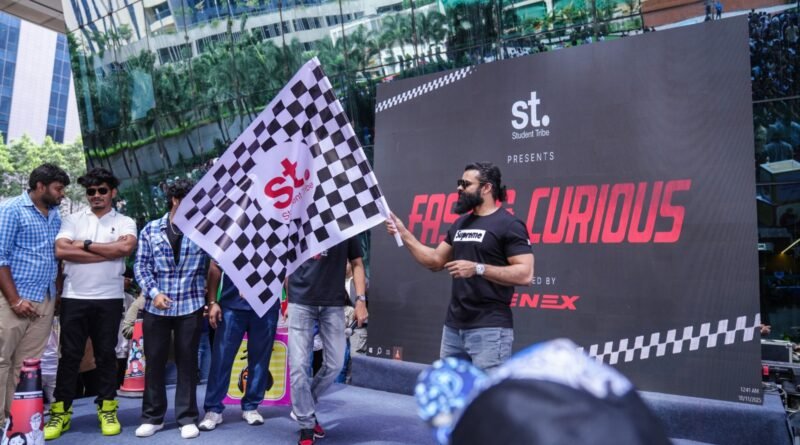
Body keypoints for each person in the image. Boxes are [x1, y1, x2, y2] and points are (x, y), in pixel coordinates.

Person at [386, 162, 534, 371]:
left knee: (485, 392)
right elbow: (435, 260)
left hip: (490, 329)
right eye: (459, 183)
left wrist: (478, 268)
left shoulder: (509, 225)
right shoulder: (460, 224)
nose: (459, 188)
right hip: (453, 329)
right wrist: (404, 233)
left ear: (487, 188)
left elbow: (525, 274)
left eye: (466, 184)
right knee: (450, 389)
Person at [44, 168, 137, 439]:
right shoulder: (71, 219)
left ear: (112, 192)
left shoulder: (125, 221)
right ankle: (60, 412)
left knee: (106, 355)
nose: (96, 195)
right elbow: (61, 250)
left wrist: (83, 244)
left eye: (102, 190)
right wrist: (107, 251)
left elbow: (125, 249)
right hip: (74, 296)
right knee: (69, 356)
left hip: (109, 298)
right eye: (91, 191)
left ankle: (107, 408)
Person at [133, 179, 209, 440]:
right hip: (157, 308)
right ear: (176, 200)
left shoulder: (203, 231)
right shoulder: (151, 229)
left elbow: (217, 262)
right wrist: (154, 293)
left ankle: (187, 417)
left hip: (191, 304)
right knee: (154, 362)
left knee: (188, 362)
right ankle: (152, 417)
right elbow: (141, 266)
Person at [0, 163, 69, 433]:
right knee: (2, 360)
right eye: (58, 188)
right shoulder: (11, 210)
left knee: (26, 365)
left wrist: (58, 291)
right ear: (40, 186)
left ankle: (13, 423)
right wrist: (15, 300)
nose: (62, 194)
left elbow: (57, 257)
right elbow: (0, 258)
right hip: (12, 299)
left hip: (45, 298)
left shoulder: (56, 214)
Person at [287, 237, 367, 445]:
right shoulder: (297, 219)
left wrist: (361, 300)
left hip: (333, 303)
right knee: (298, 366)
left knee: (335, 363)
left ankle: (305, 405)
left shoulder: (345, 222)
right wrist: (287, 297)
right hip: (300, 301)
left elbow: (357, 262)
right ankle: (306, 425)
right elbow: (282, 258)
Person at [197, 262, 280, 431]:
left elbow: (287, 267)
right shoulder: (229, 241)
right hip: (232, 306)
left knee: (260, 359)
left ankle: (251, 406)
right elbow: (215, 266)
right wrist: (212, 302)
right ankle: (213, 409)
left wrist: (289, 301)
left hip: (267, 305)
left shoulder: (277, 242)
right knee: (221, 359)